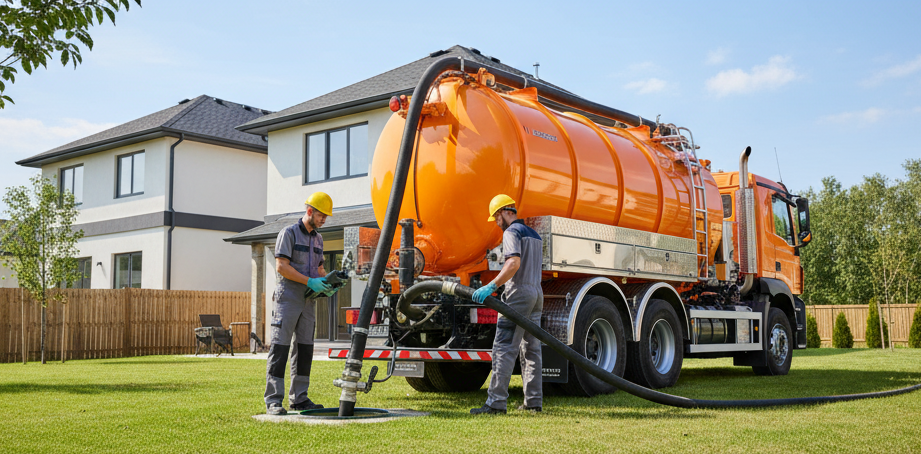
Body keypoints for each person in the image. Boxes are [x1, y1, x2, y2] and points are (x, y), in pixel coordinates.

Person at [264, 192, 340, 415]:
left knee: (305, 349)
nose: (324, 220)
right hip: (288, 297)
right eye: (321, 215)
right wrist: (311, 281)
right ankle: (273, 401)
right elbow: (281, 266)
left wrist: (328, 282)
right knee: (280, 348)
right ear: (309, 211)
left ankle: (299, 398)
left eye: (326, 217)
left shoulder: (318, 239)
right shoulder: (287, 233)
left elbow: (319, 268)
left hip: (309, 300)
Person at [470, 194, 544, 415]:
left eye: (495, 217)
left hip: (519, 294)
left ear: (504, 212)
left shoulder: (512, 232)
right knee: (532, 349)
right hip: (536, 293)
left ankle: (495, 403)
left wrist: (491, 286)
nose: (495, 222)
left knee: (503, 347)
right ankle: (533, 402)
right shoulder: (535, 234)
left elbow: (513, 263)